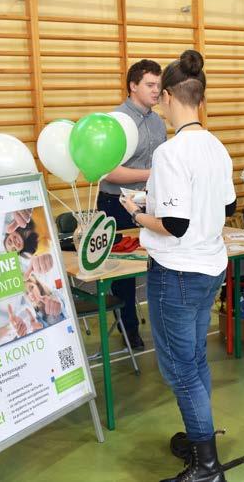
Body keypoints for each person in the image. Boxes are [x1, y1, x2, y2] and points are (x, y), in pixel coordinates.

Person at [120, 50, 234, 482]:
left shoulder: (170, 152)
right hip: (208, 267)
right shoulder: (214, 147)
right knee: (194, 359)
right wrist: (156, 207)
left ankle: (206, 465)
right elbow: (223, 203)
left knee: (180, 367)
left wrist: (136, 214)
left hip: (177, 271)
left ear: (168, 96)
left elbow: (174, 224)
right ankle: (200, 438)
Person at [99, 59, 166, 351]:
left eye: (159, 85)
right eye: (150, 85)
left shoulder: (158, 121)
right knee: (123, 271)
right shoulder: (114, 122)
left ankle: (157, 322)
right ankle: (128, 329)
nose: (156, 91)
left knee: (158, 260)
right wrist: (152, 173)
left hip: (148, 202)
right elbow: (108, 171)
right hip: (116, 202)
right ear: (133, 86)